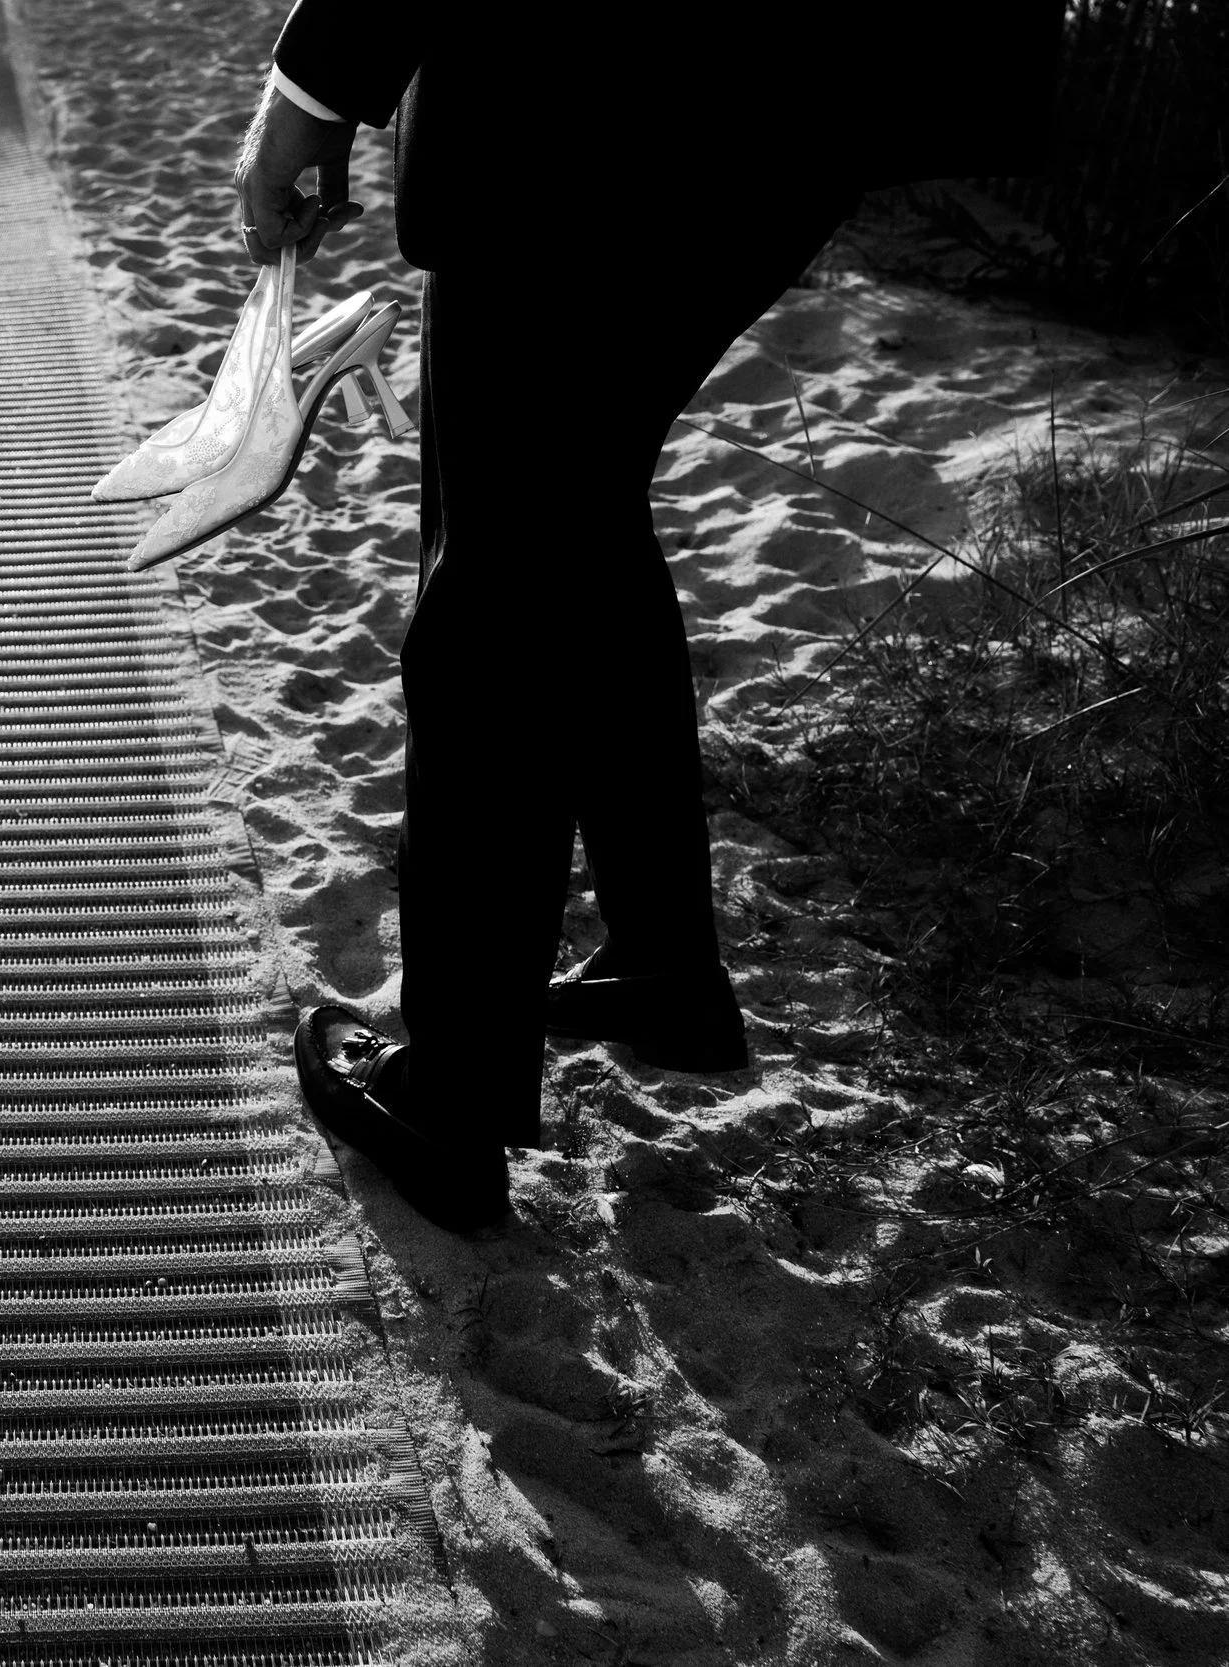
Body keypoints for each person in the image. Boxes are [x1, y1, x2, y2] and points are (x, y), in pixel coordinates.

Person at [242, 0, 1060, 1232]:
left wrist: (313, 92)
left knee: (498, 596)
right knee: (569, 503)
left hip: (585, 89)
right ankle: (660, 956)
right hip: (809, 96)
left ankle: (449, 1093)